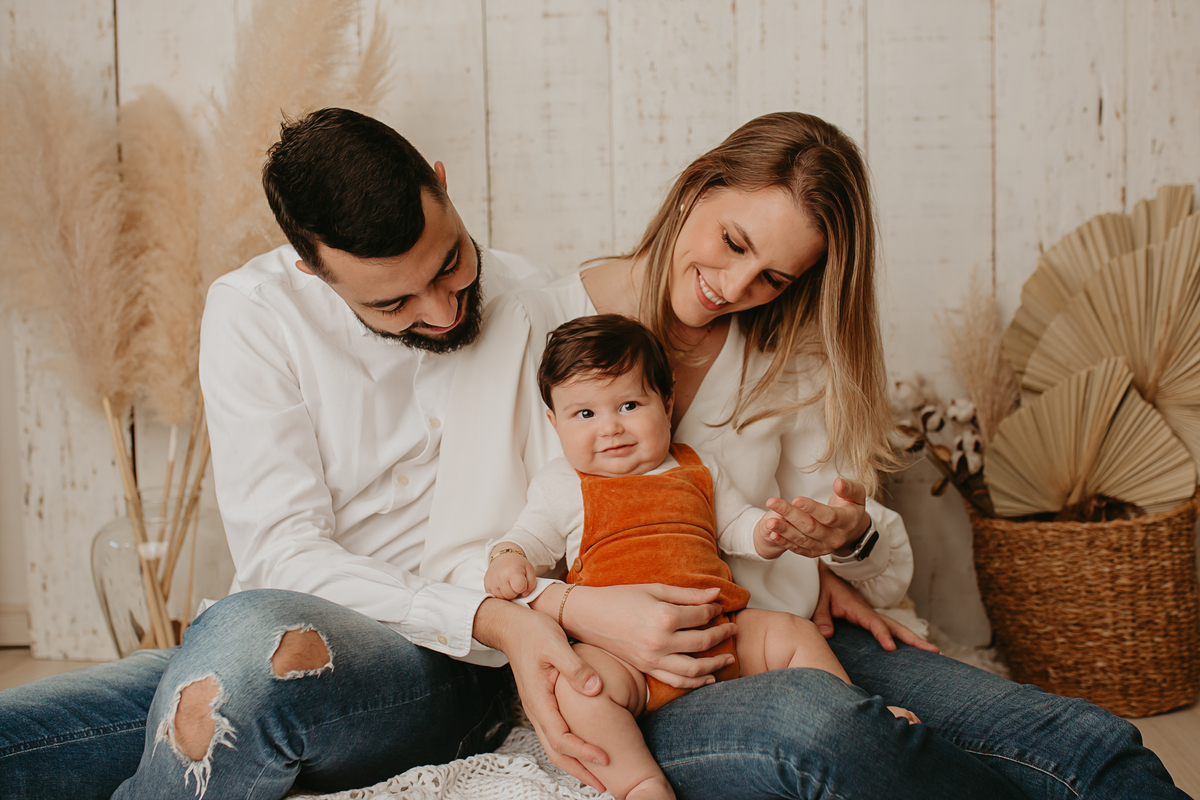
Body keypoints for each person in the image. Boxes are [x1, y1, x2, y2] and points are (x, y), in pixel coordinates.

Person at [422, 111, 1189, 799]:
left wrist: (842, 542)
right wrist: (574, 606)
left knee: (1092, 746)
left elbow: (863, 550)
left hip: (774, 637)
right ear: (696, 188)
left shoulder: (786, 355)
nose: (734, 286)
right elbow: (459, 562)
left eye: (772, 278)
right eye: (733, 243)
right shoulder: (538, 322)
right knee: (839, 736)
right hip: (626, 677)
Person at [0, 108, 611, 800]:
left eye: (451, 264)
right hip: (279, 645)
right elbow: (282, 552)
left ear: (442, 186)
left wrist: (500, 615)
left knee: (240, 671)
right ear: (314, 272)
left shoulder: (534, 300)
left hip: (456, 664)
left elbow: (572, 501)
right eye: (393, 304)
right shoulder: (255, 313)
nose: (442, 311)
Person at [484, 313, 918, 800]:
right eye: (585, 415)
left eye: (629, 405)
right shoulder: (562, 484)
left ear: (666, 404)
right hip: (623, 656)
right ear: (554, 422)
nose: (610, 428)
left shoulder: (696, 466)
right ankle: (639, 782)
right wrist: (507, 557)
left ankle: (857, 712)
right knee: (578, 689)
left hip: (722, 630)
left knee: (794, 634)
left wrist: (769, 532)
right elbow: (527, 538)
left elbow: (734, 526)